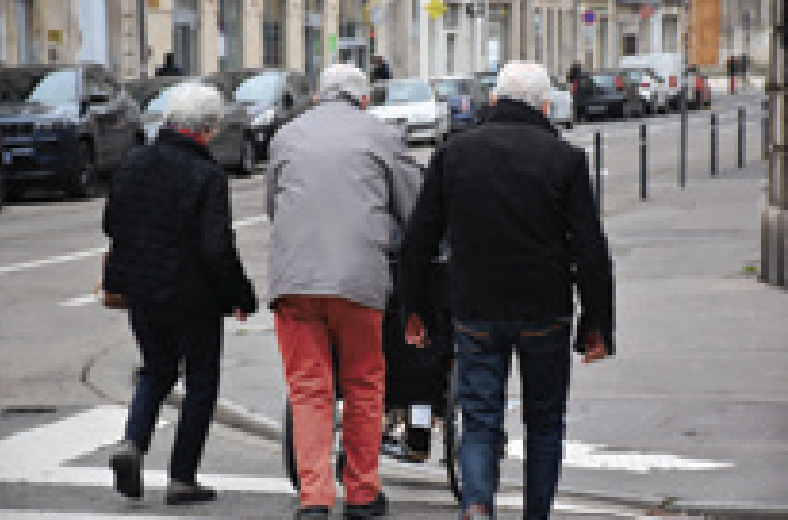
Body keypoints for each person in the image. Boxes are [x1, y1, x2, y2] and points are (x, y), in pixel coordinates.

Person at [397, 61, 615, 520]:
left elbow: (419, 238)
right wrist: (596, 323)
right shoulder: (565, 159)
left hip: (475, 307)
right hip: (545, 310)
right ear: (545, 106)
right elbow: (590, 248)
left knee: (479, 419)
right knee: (544, 423)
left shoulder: (454, 153)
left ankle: (478, 504)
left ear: (494, 100)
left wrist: (413, 309)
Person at [266, 64, 423, 519]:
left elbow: (274, 206)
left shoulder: (286, 136)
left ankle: (315, 498)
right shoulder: (381, 135)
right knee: (363, 385)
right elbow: (413, 206)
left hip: (295, 280)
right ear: (364, 100)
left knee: (308, 390)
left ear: (318, 96)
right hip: (358, 280)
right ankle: (362, 493)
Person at [104, 82, 257, 505]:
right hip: (194, 298)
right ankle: (182, 477)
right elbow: (216, 247)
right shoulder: (207, 175)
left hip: (141, 291)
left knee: (156, 369)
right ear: (206, 128)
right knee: (201, 381)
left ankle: (132, 443)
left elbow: (111, 224)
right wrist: (241, 296)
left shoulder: (133, 162)